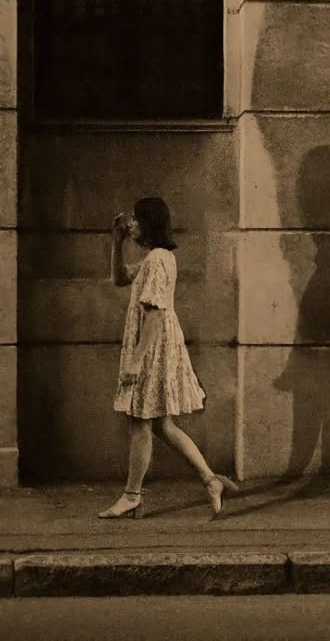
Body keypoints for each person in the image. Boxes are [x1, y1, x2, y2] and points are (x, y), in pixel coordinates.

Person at [98, 197, 238, 520]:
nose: (130, 224)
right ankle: (210, 480)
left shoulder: (159, 260)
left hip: (152, 347)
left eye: (135, 219)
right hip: (155, 346)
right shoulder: (154, 259)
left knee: (140, 421)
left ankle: (132, 495)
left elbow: (156, 316)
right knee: (161, 424)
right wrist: (116, 243)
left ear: (149, 223)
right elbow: (120, 278)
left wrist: (136, 359)